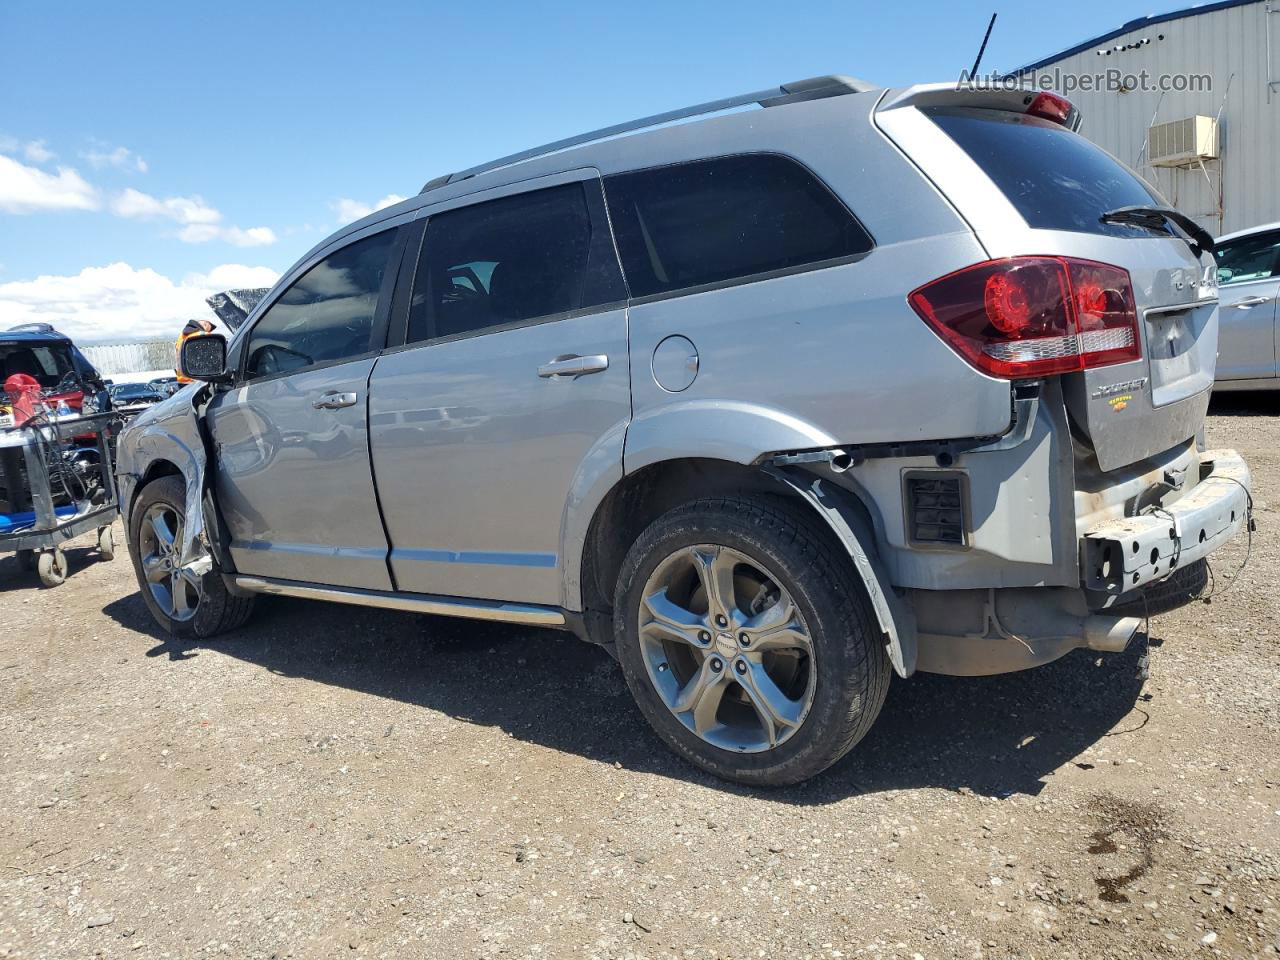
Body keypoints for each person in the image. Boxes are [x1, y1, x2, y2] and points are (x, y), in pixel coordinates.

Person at [175, 319, 215, 384]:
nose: (208, 330)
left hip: (183, 380)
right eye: (206, 325)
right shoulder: (202, 335)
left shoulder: (182, 337)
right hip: (197, 381)